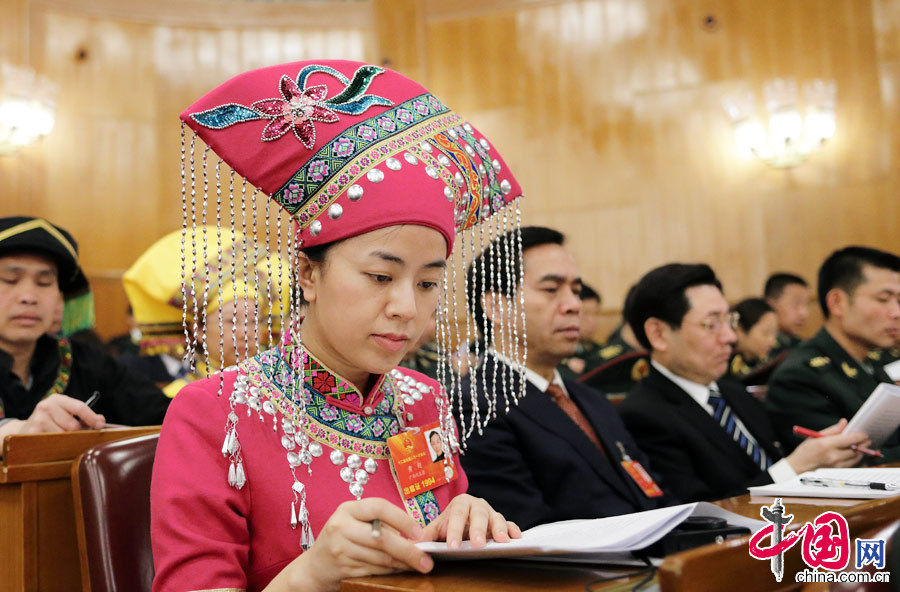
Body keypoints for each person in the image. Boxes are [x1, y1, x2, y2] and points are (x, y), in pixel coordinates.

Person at [151, 60, 525, 592]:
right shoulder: (217, 412)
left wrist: (463, 520)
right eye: (380, 276)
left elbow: (431, 553)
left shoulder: (422, 400)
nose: (406, 308)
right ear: (307, 273)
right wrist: (312, 574)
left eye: (427, 284)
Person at [456, 226, 668, 530]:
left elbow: (648, 490)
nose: (574, 305)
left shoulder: (589, 399)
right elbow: (527, 531)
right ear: (496, 306)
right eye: (551, 290)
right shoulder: (476, 405)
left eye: (576, 291)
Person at [619, 263, 869, 503]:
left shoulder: (734, 393)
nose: (730, 337)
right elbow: (699, 515)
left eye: (729, 321)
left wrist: (820, 453)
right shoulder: (644, 415)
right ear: (658, 334)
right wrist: (796, 466)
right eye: (711, 324)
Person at [0, 216, 170, 441]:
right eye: (10, 279)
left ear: (60, 297)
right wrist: (10, 432)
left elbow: (163, 414)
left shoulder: (85, 361)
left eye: (44, 283)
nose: (29, 297)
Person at [766, 246, 900, 461]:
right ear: (838, 303)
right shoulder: (800, 376)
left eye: (899, 301)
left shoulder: (869, 360)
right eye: (884, 299)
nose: (896, 312)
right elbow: (846, 461)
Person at [122, 226, 288, 396]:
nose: (245, 333)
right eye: (232, 321)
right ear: (199, 330)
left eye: (254, 321)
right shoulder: (180, 395)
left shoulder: (279, 392)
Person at [727, 297, 779, 380]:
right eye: (765, 333)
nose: (772, 342)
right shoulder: (724, 367)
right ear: (740, 331)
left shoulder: (772, 366)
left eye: (774, 333)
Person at [559, 283, 603, 378]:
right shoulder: (557, 354)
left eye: (596, 314)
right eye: (586, 314)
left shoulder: (597, 348)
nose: (592, 321)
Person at [764, 273, 811, 357]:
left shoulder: (805, 347)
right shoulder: (761, 349)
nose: (804, 313)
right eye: (796, 304)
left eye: (806, 304)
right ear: (770, 305)